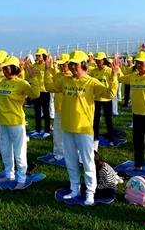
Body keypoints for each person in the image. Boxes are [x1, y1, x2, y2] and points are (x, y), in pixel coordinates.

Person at [44, 50, 118, 206]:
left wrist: (114, 76)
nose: (71, 67)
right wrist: (47, 70)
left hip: (84, 129)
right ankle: (75, 188)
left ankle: (90, 192)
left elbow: (109, 93)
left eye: (74, 64)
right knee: (70, 160)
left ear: (83, 65)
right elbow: (50, 87)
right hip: (67, 127)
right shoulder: (65, 81)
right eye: (71, 64)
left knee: (87, 162)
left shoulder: (91, 82)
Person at [0, 56, 39, 189]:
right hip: (3, 121)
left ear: (14, 68)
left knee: (19, 152)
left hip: (16, 122)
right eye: (4, 68)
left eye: (7, 68)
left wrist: (35, 79)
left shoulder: (22, 83)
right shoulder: (3, 82)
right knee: (6, 150)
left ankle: (21, 177)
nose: (4, 70)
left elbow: (35, 94)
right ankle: (9, 174)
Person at [45, 53, 71, 162]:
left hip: (69, 110)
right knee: (58, 133)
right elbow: (50, 84)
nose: (61, 67)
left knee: (70, 134)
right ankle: (58, 154)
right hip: (58, 109)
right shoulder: (59, 75)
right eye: (60, 65)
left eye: (63, 65)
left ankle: (71, 154)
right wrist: (47, 69)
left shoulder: (71, 76)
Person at [89, 52, 116, 148]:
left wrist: (114, 73)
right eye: (96, 60)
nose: (97, 62)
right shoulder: (93, 71)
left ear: (104, 60)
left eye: (99, 60)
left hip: (106, 99)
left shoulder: (109, 70)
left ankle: (111, 139)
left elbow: (115, 79)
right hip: (96, 99)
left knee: (108, 119)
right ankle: (95, 137)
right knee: (95, 119)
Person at [31, 48, 51, 135]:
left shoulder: (47, 65)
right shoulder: (34, 65)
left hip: (45, 91)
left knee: (46, 112)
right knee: (37, 111)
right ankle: (37, 129)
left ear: (44, 56)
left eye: (39, 55)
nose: (37, 57)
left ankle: (47, 130)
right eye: (36, 55)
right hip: (36, 91)